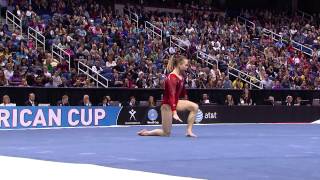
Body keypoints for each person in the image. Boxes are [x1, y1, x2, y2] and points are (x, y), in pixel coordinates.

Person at [138, 55, 199, 137]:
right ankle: (147, 132)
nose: (187, 67)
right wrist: (174, 112)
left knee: (194, 107)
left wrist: (185, 98)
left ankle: (189, 131)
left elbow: (182, 91)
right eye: (186, 65)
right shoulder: (172, 77)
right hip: (167, 105)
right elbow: (172, 95)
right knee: (166, 133)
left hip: (175, 102)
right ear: (179, 65)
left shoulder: (181, 76)